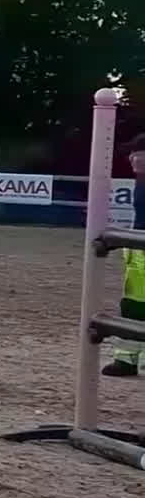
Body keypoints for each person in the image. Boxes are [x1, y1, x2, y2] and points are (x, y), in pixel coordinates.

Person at [103, 132, 145, 377]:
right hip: (138, 249)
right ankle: (126, 359)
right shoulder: (140, 181)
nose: (132, 157)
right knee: (132, 305)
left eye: (138, 153)